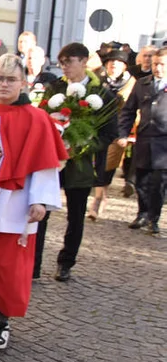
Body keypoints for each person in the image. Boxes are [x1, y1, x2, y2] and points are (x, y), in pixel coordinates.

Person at [0, 55, 65, 350]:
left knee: (6, 268)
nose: (4, 84)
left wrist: (41, 202)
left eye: (10, 79)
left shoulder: (37, 119)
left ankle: (2, 322)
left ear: (23, 83)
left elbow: (45, 164)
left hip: (16, 203)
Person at [33, 43, 119, 282]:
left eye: (69, 61)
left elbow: (109, 133)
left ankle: (66, 262)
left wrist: (84, 145)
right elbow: (40, 118)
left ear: (84, 61)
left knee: (76, 214)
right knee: (42, 208)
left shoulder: (101, 94)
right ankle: (34, 264)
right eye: (62, 63)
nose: (65, 67)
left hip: (81, 163)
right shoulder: (54, 89)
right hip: (53, 159)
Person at [117, 48, 167, 236]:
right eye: (155, 64)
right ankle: (142, 213)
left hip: (164, 143)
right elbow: (129, 111)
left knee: (158, 184)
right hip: (144, 139)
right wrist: (122, 133)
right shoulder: (142, 84)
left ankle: (154, 218)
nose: (158, 68)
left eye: (162, 64)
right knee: (141, 181)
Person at [91, 50, 137, 219]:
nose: (113, 65)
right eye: (111, 62)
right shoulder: (99, 81)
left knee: (108, 164)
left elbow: (131, 108)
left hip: (118, 129)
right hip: (98, 127)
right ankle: (98, 197)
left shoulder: (131, 84)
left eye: (117, 63)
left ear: (125, 66)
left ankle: (100, 197)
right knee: (98, 162)